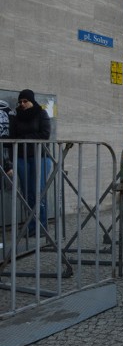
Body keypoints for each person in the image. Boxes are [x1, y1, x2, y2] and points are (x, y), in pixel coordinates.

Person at [8, 89, 51, 236]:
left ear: (32, 101)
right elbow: (12, 137)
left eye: (25, 101)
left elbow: (45, 134)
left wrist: (25, 138)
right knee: (27, 194)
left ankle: (42, 226)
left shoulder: (41, 113)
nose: (22, 104)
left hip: (40, 157)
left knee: (38, 191)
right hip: (21, 158)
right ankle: (33, 226)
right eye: (20, 102)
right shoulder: (16, 117)